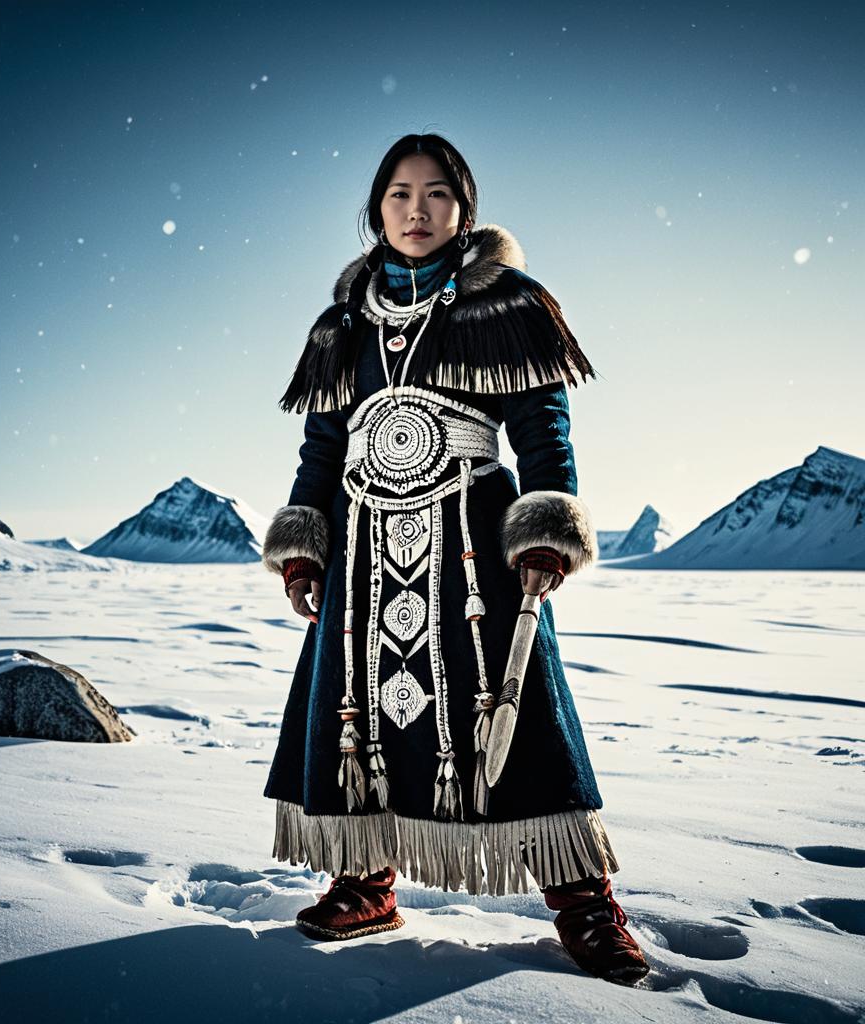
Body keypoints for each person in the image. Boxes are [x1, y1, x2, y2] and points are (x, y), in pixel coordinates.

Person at [260, 133, 649, 985]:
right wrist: (303, 548)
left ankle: (585, 903)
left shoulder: (504, 303)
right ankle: (365, 879)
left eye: (437, 192)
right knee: (358, 710)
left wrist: (545, 526)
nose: (417, 209)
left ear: (463, 208)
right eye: (399, 193)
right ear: (377, 209)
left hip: (473, 540)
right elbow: (321, 449)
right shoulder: (342, 324)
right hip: (361, 542)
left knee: (517, 708)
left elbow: (543, 429)